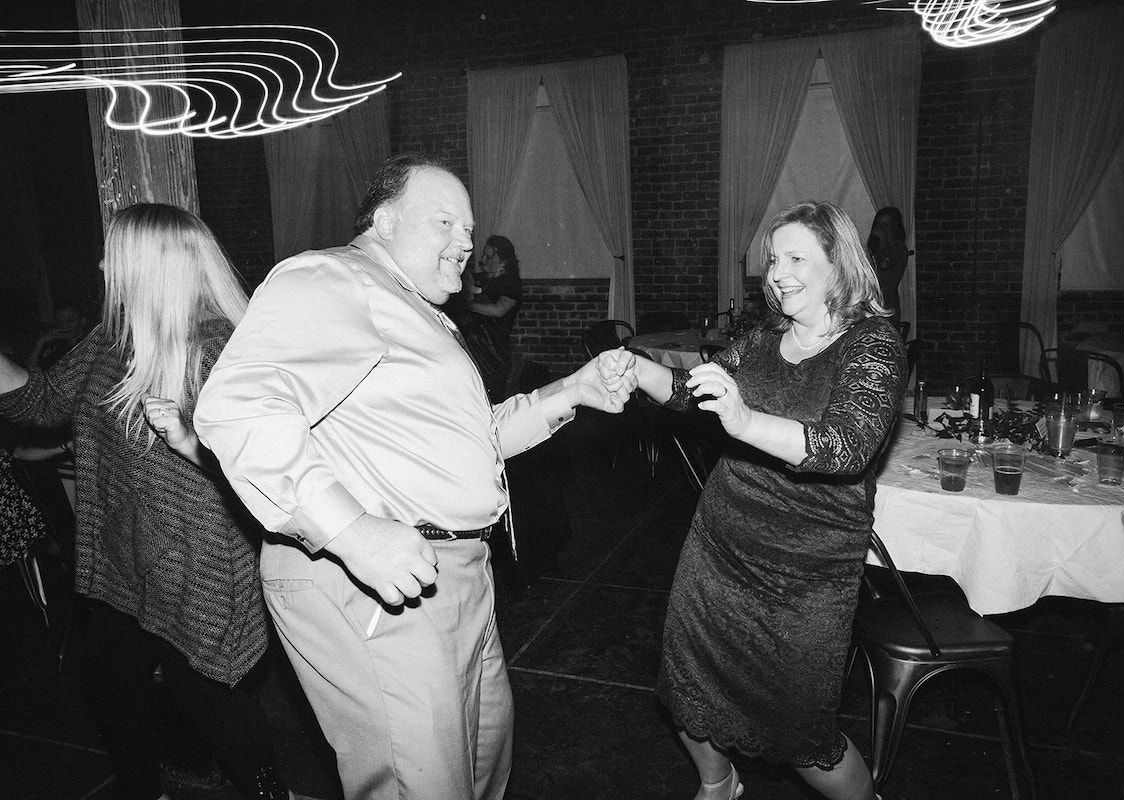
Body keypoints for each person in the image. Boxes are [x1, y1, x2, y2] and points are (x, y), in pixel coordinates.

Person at [192, 153, 634, 800]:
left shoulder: (418, 309)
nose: (466, 242)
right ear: (382, 219)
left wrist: (574, 389)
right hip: (373, 580)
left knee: (479, 771)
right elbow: (238, 406)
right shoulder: (331, 277)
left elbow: (470, 439)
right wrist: (351, 531)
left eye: (470, 227)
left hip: (455, 576)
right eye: (444, 221)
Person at [610, 200, 906, 800]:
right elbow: (698, 394)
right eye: (774, 260)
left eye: (797, 257)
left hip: (808, 570)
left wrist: (745, 421)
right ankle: (718, 785)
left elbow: (846, 447)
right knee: (686, 684)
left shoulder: (872, 344)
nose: (778, 272)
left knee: (802, 731)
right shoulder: (763, 337)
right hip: (719, 546)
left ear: (840, 266)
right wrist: (634, 369)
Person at [0, 203, 291, 800]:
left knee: (211, 701)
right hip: (120, 557)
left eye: (115, 254)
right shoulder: (113, 339)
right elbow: (41, 404)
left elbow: (267, 472)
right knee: (109, 686)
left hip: (199, 566)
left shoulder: (222, 349)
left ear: (150, 266)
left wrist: (187, 441)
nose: (103, 264)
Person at [464, 234, 523, 402]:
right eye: (483, 255)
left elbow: (499, 310)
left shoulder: (512, 283)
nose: (482, 260)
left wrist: (466, 305)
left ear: (503, 262)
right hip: (476, 352)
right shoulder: (484, 280)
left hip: (494, 355)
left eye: (488, 257)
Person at [865, 206, 910, 328]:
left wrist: (884, 240)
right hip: (872, 307)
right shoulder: (873, 248)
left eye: (886, 225)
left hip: (887, 308)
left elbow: (885, 270)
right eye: (879, 225)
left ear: (894, 227)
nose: (881, 230)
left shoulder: (899, 248)